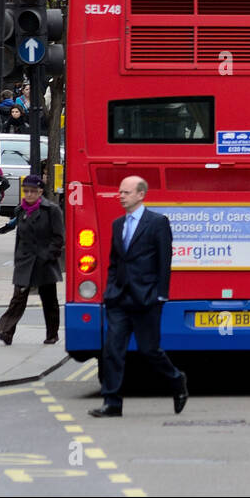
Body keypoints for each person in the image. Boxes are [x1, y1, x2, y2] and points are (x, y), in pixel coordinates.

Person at [90, 176, 187, 418]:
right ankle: (112, 402)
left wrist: (161, 295)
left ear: (140, 195)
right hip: (119, 299)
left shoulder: (157, 223)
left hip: (147, 300)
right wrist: (109, 290)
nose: (121, 196)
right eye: (120, 192)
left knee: (149, 351)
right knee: (112, 350)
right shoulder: (117, 224)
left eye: (126, 192)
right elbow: (114, 261)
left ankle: (177, 381)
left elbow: (165, 262)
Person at [0, 176, 64, 346]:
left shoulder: (52, 210)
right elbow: (20, 237)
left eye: (33, 191)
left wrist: (49, 256)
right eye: (26, 191)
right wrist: (18, 259)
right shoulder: (20, 210)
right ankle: (6, 332)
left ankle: (52, 334)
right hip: (25, 261)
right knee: (18, 298)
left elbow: (59, 238)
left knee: (49, 301)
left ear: (40, 191)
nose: (29, 194)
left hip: (44, 262)